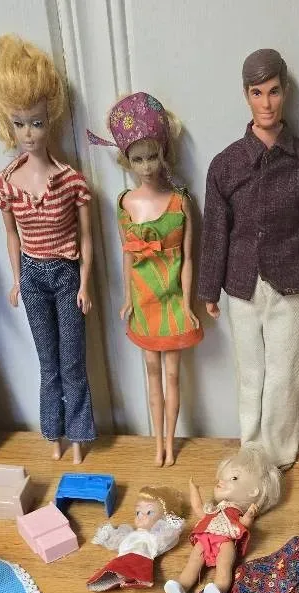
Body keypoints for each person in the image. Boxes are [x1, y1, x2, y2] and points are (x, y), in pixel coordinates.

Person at [198, 48, 299, 470]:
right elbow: (215, 229)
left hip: (291, 281)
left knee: (285, 371)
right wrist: (209, 288)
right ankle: (251, 447)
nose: (267, 103)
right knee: (250, 371)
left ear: (285, 92)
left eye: (274, 91)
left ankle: (279, 452)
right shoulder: (226, 165)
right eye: (257, 93)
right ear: (246, 95)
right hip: (241, 282)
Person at [0, 35, 96, 464]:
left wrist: (85, 282)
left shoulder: (71, 180)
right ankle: (53, 434)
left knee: (73, 360)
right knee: (48, 362)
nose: (28, 133)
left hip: (66, 273)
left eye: (36, 123)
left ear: (51, 120)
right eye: (19, 124)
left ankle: (80, 436)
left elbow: (86, 237)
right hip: (31, 273)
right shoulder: (6, 182)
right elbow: (11, 235)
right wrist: (16, 279)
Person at [88, 92, 203, 466]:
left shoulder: (181, 201)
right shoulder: (124, 203)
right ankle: (157, 445)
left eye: (152, 156)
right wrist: (127, 297)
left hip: (172, 300)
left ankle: (170, 441)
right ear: (127, 160)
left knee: (173, 375)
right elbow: (127, 254)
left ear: (164, 152)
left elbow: (188, 258)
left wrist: (187, 304)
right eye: (138, 159)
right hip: (143, 300)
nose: (147, 165)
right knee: (152, 372)